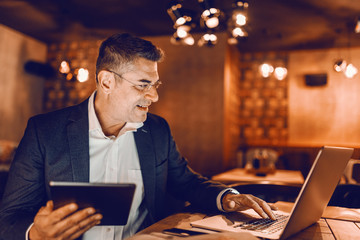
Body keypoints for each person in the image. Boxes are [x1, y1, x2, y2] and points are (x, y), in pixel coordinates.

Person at [0, 33, 275, 240]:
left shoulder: (157, 130)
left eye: (155, 85)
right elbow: (8, 219)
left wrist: (226, 197)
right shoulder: (44, 131)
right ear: (107, 81)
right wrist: (36, 233)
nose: (154, 96)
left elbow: (187, 183)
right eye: (143, 85)